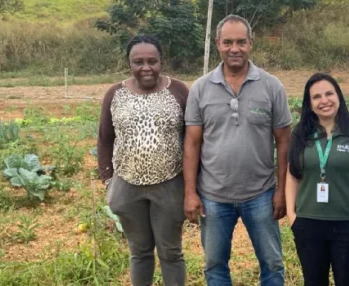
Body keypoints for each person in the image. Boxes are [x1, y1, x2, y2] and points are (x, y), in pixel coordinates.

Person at [182, 14, 292, 286]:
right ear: (218, 43)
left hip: (261, 195)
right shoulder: (200, 88)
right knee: (215, 265)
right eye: (228, 42)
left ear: (251, 43)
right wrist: (190, 192)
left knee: (272, 263)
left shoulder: (271, 86)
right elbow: (192, 143)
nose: (235, 48)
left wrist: (281, 190)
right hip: (213, 197)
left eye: (241, 42)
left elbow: (284, 141)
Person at [97, 35, 189, 286]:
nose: (146, 67)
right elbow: (105, 139)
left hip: (170, 184)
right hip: (127, 185)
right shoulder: (115, 94)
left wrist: (192, 184)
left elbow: (192, 138)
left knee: (170, 252)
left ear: (161, 62)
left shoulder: (179, 91)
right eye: (138, 62)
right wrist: (108, 180)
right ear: (129, 63)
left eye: (152, 61)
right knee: (139, 252)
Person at [286, 73, 349, 286]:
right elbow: (292, 176)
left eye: (329, 93)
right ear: (309, 104)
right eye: (316, 97)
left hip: (348, 224)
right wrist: (292, 216)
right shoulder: (300, 135)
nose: (324, 101)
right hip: (308, 224)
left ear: (339, 97)